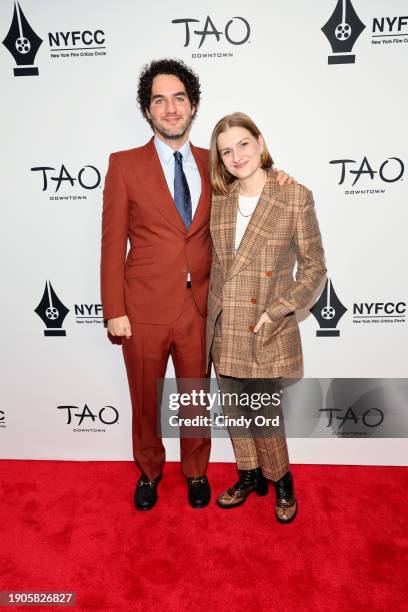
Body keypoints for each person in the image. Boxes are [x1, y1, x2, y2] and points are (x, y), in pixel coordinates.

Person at [101, 59, 293, 511]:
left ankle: (195, 472)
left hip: (203, 307)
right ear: (147, 110)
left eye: (179, 98)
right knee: (146, 400)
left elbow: (257, 188)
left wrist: (281, 178)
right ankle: (148, 471)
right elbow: (112, 243)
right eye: (159, 100)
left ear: (193, 106)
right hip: (142, 307)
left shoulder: (217, 163)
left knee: (195, 398)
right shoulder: (123, 165)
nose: (170, 108)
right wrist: (114, 309)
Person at [206, 112, 326, 523]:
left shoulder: (293, 195)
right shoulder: (219, 201)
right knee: (234, 409)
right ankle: (248, 473)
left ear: (260, 142)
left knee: (264, 414)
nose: (236, 155)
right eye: (226, 151)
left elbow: (314, 269)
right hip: (225, 323)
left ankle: (282, 481)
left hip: (265, 324)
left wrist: (277, 310)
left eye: (242, 144)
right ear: (219, 160)